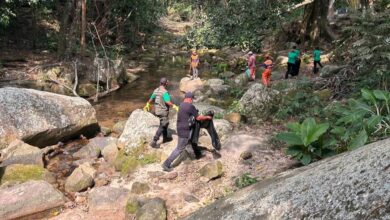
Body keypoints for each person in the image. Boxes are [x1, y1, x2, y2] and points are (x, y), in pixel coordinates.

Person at [162, 92, 215, 172]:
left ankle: (198, 154)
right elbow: (198, 118)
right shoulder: (190, 106)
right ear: (190, 99)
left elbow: (187, 115)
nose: (192, 101)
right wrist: (207, 117)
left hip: (180, 128)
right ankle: (166, 164)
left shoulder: (181, 105)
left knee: (191, 141)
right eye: (192, 99)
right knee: (179, 148)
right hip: (185, 130)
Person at [143, 77, 179, 148]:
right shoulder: (164, 92)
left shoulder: (156, 90)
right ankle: (154, 141)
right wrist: (174, 106)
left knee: (164, 123)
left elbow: (151, 99)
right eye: (167, 82)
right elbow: (167, 102)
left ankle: (165, 138)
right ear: (165, 83)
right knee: (163, 125)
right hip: (163, 111)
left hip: (157, 110)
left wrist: (147, 104)